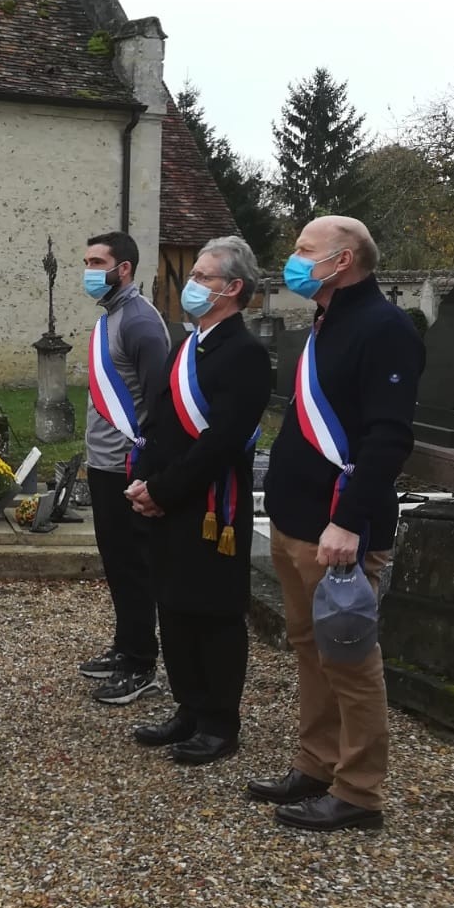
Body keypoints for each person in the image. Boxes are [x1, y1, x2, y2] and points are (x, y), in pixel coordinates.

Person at [250, 215, 424, 831]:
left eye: (305, 249)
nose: (293, 259)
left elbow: (387, 437)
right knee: (309, 649)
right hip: (297, 519)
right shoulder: (326, 322)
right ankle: (315, 763)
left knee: (349, 659)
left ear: (343, 260)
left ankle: (358, 791)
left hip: (341, 527)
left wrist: (348, 522)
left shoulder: (384, 328)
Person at [125, 236, 272, 764]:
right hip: (166, 498)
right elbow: (159, 423)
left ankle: (218, 721)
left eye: (204, 277)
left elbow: (222, 441)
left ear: (233, 289)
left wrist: (164, 490)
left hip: (212, 505)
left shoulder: (246, 354)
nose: (192, 283)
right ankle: (187, 707)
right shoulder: (187, 345)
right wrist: (144, 481)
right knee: (175, 605)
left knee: (214, 612)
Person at [76, 230, 171, 705]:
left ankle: (141, 664)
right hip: (104, 462)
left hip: (128, 465)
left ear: (124, 268)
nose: (89, 271)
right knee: (116, 562)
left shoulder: (140, 322)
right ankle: (125, 646)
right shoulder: (111, 316)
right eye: (88, 262)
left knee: (133, 566)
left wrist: (148, 468)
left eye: (97, 262)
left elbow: (158, 400)